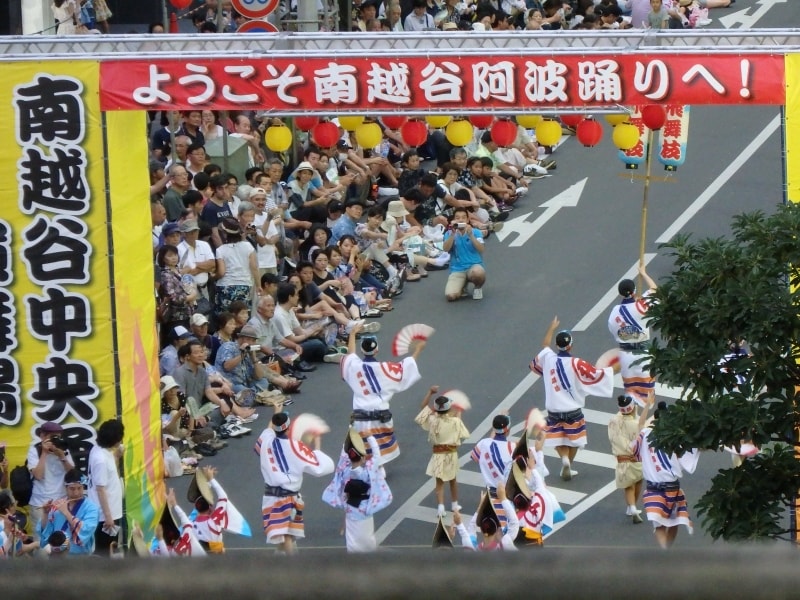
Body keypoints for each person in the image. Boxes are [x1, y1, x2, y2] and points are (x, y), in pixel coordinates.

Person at [530, 316, 614, 481]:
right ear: (570, 345)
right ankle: (568, 463)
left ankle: (564, 459)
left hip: (554, 409)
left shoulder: (548, 358)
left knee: (558, 438)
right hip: (573, 410)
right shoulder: (577, 363)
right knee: (575, 440)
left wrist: (552, 327)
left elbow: (544, 345)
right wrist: (612, 369)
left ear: (557, 345)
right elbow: (595, 376)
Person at [255, 402, 335, 555]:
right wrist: (316, 444)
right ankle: (293, 569)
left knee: (282, 537)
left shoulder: (266, 441)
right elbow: (320, 468)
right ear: (289, 427)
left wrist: (275, 413)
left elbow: (267, 431)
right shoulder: (297, 447)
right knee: (286, 537)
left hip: (270, 498)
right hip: (288, 499)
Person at [341, 324, 426, 464]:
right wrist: (418, 350)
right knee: (378, 453)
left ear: (362, 350)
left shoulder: (354, 367)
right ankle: (377, 473)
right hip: (380, 418)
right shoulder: (385, 369)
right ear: (376, 350)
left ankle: (368, 474)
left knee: (362, 453)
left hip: (360, 420)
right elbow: (406, 367)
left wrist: (352, 334)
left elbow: (350, 356)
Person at [631, 401, 699, 548]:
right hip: (672, 487)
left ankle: (665, 551)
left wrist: (647, 406)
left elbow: (640, 426)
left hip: (654, 488)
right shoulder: (675, 436)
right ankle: (666, 550)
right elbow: (691, 453)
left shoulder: (644, 435)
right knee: (675, 522)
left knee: (659, 525)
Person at [322, 429, 392, 553]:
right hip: (365, 509)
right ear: (363, 458)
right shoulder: (368, 472)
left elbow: (343, 455)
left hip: (350, 509)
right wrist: (370, 437)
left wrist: (348, 439)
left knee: (352, 541)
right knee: (368, 540)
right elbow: (376, 456)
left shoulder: (344, 471)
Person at [415, 386, 470, 518]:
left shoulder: (433, 420)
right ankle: (455, 504)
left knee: (439, 482)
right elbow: (463, 433)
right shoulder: (455, 421)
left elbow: (423, 408)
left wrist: (430, 392)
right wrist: (459, 413)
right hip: (451, 454)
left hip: (438, 455)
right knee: (453, 479)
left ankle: (440, 507)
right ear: (449, 408)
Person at [608, 264, 657, 406]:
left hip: (626, 355)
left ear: (620, 294)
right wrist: (644, 274)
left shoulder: (614, 312)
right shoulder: (641, 306)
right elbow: (655, 290)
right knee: (647, 397)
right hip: (643, 354)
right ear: (634, 292)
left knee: (630, 393)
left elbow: (613, 330)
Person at [27, 422, 74, 540]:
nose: (55, 440)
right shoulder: (35, 450)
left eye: (58, 437)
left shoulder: (63, 449)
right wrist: (44, 453)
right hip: (40, 503)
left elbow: (72, 475)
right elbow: (38, 475)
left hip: (61, 502)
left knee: (62, 541)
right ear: (42, 436)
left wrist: (62, 457)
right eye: (52, 437)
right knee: (42, 541)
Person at [39, 468, 100, 556]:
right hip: (56, 554)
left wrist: (66, 513)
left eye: (79, 488)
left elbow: (86, 531)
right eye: (72, 489)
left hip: (79, 555)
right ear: (66, 488)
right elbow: (46, 533)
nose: (76, 493)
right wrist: (45, 514)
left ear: (83, 487)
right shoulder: (57, 505)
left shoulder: (92, 508)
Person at [87, 419, 125, 555]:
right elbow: (100, 489)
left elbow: (108, 475)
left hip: (111, 510)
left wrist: (116, 456)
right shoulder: (100, 459)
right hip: (105, 516)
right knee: (104, 550)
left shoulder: (100, 450)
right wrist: (108, 516)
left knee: (111, 548)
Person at [607, 395, 644, 524]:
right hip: (636, 459)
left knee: (628, 486)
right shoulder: (636, 424)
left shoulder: (613, 421)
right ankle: (632, 507)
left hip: (622, 460)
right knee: (638, 481)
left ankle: (631, 508)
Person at [452, 485, 519, 551]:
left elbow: (470, 531)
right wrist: (503, 498)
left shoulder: (473, 551)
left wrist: (459, 523)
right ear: (497, 530)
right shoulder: (504, 546)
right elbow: (514, 523)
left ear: (481, 529)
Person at [214, 217, 259, 314]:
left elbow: (221, 272)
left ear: (225, 233)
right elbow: (254, 268)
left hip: (225, 286)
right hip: (244, 285)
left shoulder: (220, 250)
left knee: (226, 318)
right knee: (242, 316)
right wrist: (259, 286)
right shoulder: (248, 246)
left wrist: (213, 277)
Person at [443, 207, 486, 301]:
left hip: (473, 266)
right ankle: (463, 286)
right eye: (457, 218)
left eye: (463, 217)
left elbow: (481, 249)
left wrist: (471, 235)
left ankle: (478, 288)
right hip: (457, 269)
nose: (460, 220)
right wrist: (452, 234)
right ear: (454, 220)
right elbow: (446, 249)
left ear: (467, 219)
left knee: (478, 273)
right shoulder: (449, 233)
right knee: (451, 296)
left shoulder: (476, 232)